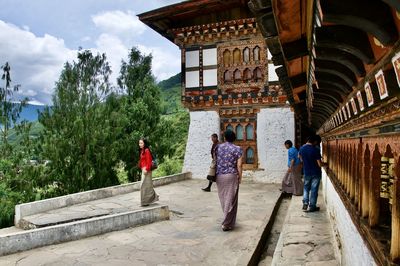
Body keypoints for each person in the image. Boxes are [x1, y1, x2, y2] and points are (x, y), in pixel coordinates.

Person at [215, 130, 243, 231]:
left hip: (219, 176)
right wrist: (240, 176)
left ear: (225, 138)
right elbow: (239, 165)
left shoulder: (218, 147)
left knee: (223, 198)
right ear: (234, 138)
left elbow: (215, 160)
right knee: (232, 200)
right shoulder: (237, 149)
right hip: (231, 176)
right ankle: (227, 223)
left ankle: (227, 219)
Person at [298, 135, 322, 212]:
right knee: (314, 190)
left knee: (306, 188)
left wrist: (306, 161)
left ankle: (305, 202)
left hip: (307, 172)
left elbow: (300, 158)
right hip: (316, 173)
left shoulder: (302, 148)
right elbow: (320, 164)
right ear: (315, 141)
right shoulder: (315, 150)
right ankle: (312, 206)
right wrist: (326, 164)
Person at [138, 138, 159, 207]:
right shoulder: (142, 151)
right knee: (146, 186)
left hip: (147, 170)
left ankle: (145, 202)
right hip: (143, 169)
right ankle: (150, 199)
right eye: (139, 143)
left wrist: (146, 169)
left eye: (141, 143)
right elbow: (142, 161)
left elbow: (149, 161)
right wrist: (141, 167)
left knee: (143, 186)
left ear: (144, 144)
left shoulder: (147, 150)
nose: (140, 144)